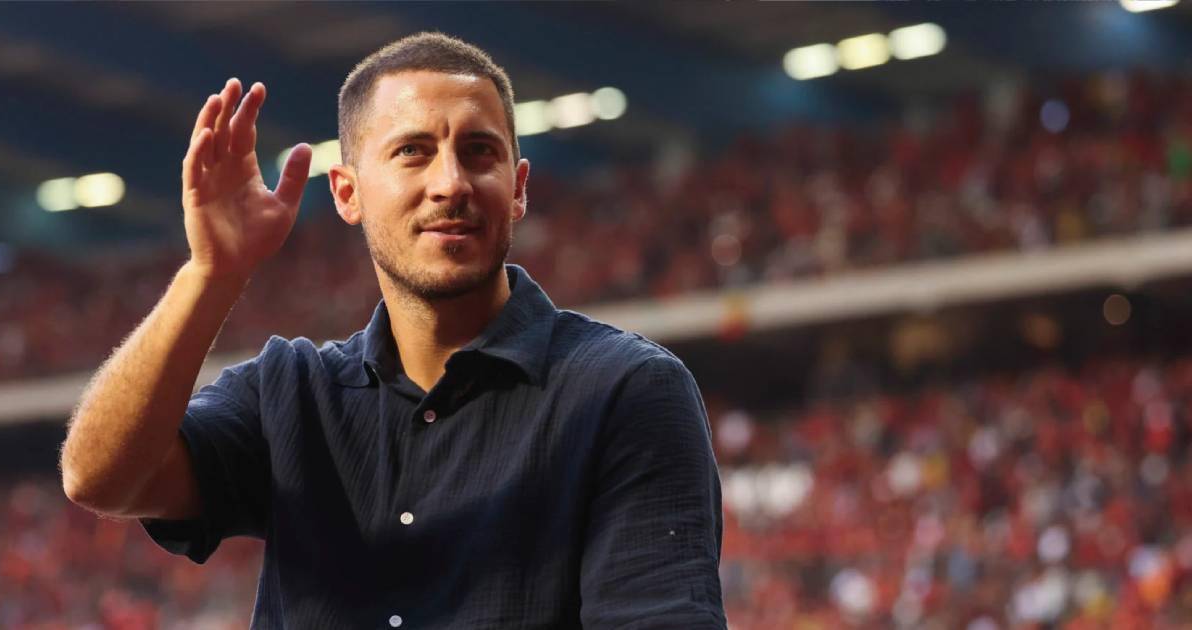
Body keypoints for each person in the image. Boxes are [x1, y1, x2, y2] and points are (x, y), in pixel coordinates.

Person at [59, 32, 725, 629]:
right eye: (413, 152)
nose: (451, 183)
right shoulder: (289, 393)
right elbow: (100, 480)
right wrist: (212, 273)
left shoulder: (624, 391)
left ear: (518, 187)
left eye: (479, 152)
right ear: (347, 193)